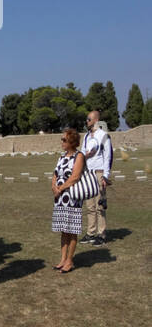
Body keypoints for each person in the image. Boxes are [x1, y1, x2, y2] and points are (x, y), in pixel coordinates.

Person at [52, 127, 88, 273]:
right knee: (63, 230)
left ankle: (70, 260)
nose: (62, 142)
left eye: (64, 139)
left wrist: (60, 188)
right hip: (60, 199)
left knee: (72, 230)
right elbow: (55, 174)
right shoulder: (62, 157)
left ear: (72, 142)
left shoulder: (79, 156)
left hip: (72, 198)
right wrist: (54, 186)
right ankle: (62, 259)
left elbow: (75, 176)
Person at [80, 110, 112, 246]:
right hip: (88, 173)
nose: (86, 121)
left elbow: (108, 156)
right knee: (90, 206)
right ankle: (90, 233)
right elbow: (82, 153)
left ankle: (101, 234)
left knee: (100, 205)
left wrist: (105, 176)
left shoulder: (104, 135)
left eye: (88, 119)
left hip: (99, 172)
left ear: (95, 120)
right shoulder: (86, 136)